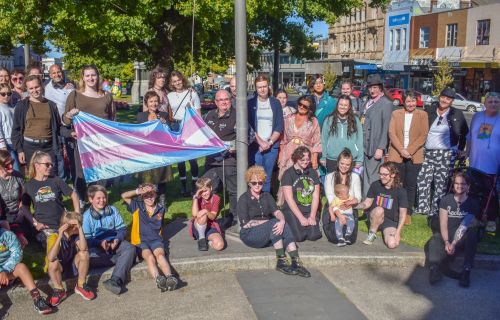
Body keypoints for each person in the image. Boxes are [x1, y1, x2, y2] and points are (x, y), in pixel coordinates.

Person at [237, 165, 311, 277]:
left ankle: (296, 261)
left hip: (267, 230)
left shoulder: (267, 196)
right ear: (249, 183)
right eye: (254, 183)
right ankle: (281, 260)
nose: (257, 185)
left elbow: (277, 212)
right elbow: (245, 224)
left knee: (281, 221)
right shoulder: (243, 199)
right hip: (249, 234)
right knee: (274, 222)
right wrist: (271, 222)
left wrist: (281, 220)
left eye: (260, 183)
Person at [63, 65, 114, 202]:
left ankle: (99, 201)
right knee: (81, 174)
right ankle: (82, 200)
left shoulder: (107, 96)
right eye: (88, 75)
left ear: (98, 77)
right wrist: (70, 114)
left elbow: (112, 119)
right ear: (83, 78)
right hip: (82, 142)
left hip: (102, 142)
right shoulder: (75, 95)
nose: (91, 78)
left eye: (93, 75)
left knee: (101, 173)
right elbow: (65, 120)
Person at [416, 87, 468, 216]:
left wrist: (460, 150)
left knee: (441, 183)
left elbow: (464, 133)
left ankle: (436, 209)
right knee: (423, 180)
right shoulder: (429, 110)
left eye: (448, 98)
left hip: (446, 154)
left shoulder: (457, 114)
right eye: (443, 97)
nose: (445, 100)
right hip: (427, 152)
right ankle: (422, 208)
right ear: (439, 97)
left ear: (452, 101)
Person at [121, 183, 178, 292]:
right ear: (142, 197)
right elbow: (124, 196)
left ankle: (170, 277)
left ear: (156, 195)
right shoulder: (137, 206)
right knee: (149, 257)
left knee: (160, 256)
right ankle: (159, 279)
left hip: (156, 240)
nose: (149, 198)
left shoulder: (161, 209)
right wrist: (138, 191)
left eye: (151, 194)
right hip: (140, 241)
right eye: (146, 195)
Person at [427, 172, 480, 288]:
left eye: (462, 184)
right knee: (434, 238)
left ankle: (466, 271)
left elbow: (464, 225)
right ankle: (434, 269)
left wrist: (454, 244)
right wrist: (446, 242)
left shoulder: (473, 203)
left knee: (472, 235)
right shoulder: (446, 200)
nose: (459, 186)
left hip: (462, 236)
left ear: (468, 186)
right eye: (456, 183)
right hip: (447, 234)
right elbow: (443, 223)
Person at [83, 185, 136, 295]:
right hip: (97, 248)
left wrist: (117, 239)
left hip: (114, 244)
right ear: (90, 199)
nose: (102, 201)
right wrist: (100, 243)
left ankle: (115, 280)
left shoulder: (113, 210)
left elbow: (122, 229)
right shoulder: (86, 217)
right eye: (98, 198)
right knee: (89, 257)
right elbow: (87, 240)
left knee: (130, 248)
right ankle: (123, 260)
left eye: (104, 197)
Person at [388, 90, 429, 224]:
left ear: (416, 102)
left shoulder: (422, 114)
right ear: (403, 102)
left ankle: (407, 212)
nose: (411, 104)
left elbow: (423, 135)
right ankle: (395, 209)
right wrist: (401, 150)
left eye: (413, 101)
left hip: (414, 156)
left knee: (410, 185)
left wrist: (409, 151)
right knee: (397, 184)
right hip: (397, 154)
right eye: (408, 101)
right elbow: (391, 133)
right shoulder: (396, 114)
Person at [23, 151, 80, 247]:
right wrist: (36, 223)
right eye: (47, 164)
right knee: (57, 245)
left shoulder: (56, 180)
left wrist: (77, 215)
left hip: (62, 222)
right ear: (37, 166)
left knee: (80, 242)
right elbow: (24, 207)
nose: (50, 167)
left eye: (51, 164)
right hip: (45, 227)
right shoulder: (29, 185)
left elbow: (73, 195)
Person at [202, 89, 238, 229]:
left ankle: (235, 217)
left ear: (231, 100)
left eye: (226, 99)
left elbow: (249, 136)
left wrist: (234, 148)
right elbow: (200, 131)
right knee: (207, 188)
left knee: (233, 190)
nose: (224, 102)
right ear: (216, 102)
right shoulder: (208, 115)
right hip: (211, 160)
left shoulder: (238, 115)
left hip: (228, 160)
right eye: (220, 100)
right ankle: (209, 215)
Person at [11, 75, 61, 170]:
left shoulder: (51, 105)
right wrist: (20, 150)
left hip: (48, 147)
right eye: (31, 88)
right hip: (29, 147)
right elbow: (16, 130)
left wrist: (70, 130)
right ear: (27, 89)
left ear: (41, 86)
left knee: (51, 175)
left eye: (37, 87)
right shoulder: (22, 106)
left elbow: (58, 127)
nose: (35, 90)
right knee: (34, 177)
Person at [466, 92, 499, 233]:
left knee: (491, 193)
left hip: (493, 164)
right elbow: (469, 137)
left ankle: (491, 220)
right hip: (475, 163)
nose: (493, 104)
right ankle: (475, 217)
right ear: (484, 103)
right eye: (490, 101)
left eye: (496, 102)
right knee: (473, 192)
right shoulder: (477, 117)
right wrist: (466, 153)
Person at [277, 97, 321, 204]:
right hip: (289, 153)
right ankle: (285, 205)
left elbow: (317, 141)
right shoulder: (289, 118)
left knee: (303, 179)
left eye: (305, 106)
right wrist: (280, 154)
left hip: (305, 154)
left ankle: (303, 204)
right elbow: (283, 139)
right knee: (286, 177)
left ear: (310, 109)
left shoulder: (313, 121)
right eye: (300, 104)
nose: (301, 107)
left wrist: (314, 159)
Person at [0, 227, 53, 314]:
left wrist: (5, 270)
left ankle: (37, 299)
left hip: (8, 270)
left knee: (22, 267)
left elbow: (17, 253)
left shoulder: (8, 235)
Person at [46, 211, 95, 306]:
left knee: (84, 254)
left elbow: (84, 248)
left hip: (72, 268)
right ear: (70, 226)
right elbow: (50, 257)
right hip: (59, 271)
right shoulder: (54, 236)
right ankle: (59, 289)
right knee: (52, 262)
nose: (80, 225)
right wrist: (60, 236)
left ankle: (81, 285)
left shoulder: (75, 236)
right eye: (78, 224)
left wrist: (80, 229)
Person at [167, 70, 201, 196]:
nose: (177, 83)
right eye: (174, 81)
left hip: (189, 125)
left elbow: (198, 113)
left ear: (182, 79)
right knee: (180, 159)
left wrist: (199, 129)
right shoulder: (169, 95)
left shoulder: (192, 93)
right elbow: (169, 112)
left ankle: (194, 184)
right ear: (172, 83)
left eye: (179, 80)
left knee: (192, 158)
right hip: (176, 125)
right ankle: (183, 185)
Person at [248, 75, 284, 193]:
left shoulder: (275, 103)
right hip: (255, 146)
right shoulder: (250, 103)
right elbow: (249, 126)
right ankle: (255, 201)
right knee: (255, 177)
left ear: (268, 87)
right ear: (256, 88)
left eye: (264, 86)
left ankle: (266, 202)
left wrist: (269, 142)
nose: (262, 89)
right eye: (259, 87)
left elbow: (279, 125)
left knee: (267, 177)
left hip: (271, 146)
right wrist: (260, 142)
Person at [359, 162, 408, 248]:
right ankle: (372, 233)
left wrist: (398, 232)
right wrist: (354, 206)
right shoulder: (375, 185)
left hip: (390, 222)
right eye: (380, 174)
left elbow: (403, 214)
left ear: (393, 174)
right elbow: (367, 203)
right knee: (379, 210)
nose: (381, 177)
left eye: (385, 174)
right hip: (375, 217)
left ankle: (386, 232)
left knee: (392, 244)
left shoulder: (401, 191)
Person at [136, 91, 173, 207]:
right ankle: (144, 199)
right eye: (151, 101)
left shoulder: (164, 115)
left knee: (161, 176)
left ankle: (162, 200)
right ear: (146, 103)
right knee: (145, 176)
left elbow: (169, 134)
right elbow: (138, 133)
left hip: (160, 150)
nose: (154, 103)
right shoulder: (141, 116)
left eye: (156, 101)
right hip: (146, 150)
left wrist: (164, 124)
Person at [360, 74, 394, 196]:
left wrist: (381, 147)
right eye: (370, 87)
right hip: (364, 146)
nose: (372, 90)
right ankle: (366, 203)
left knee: (373, 178)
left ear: (380, 88)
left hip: (375, 147)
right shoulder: (367, 102)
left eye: (375, 87)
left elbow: (386, 127)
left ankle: (372, 204)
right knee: (365, 176)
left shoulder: (386, 103)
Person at [281, 146, 322, 242]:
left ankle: (311, 224)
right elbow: (289, 199)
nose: (305, 162)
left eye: (307, 159)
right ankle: (289, 226)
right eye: (302, 159)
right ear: (296, 159)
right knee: (299, 237)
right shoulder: (288, 174)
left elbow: (315, 196)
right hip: (293, 210)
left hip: (308, 209)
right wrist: (301, 218)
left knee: (313, 236)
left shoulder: (312, 172)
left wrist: (312, 216)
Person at [323, 149, 362, 244]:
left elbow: (358, 197)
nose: (344, 166)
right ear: (338, 162)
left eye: (347, 164)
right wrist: (339, 215)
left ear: (351, 165)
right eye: (342, 163)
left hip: (349, 208)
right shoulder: (329, 177)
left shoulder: (355, 177)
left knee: (350, 239)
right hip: (334, 208)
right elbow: (330, 198)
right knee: (335, 238)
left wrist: (351, 202)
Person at [44, 64, 75, 179]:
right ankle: (62, 180)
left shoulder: (70, 86)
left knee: (72, 152)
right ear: (50, 75)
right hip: (56, 126)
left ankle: (74, 176)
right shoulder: (46, 88)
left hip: (70, 125)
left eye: (59, 72)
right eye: (54, 73)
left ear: (62, 72)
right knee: (59, 155)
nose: (57, 74)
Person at [321, 94, 363, 174]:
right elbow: (324, 139)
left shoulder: (355, 120)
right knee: (333, 185)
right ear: (337, 105)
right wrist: (323, 157)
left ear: (349, 106)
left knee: (348, 185)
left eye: (345, 105)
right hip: (332, 158)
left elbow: (359, 140)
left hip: (350, 159)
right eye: (341, 104)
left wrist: (360, 160)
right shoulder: (329, 120)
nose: (343, 107)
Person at [0, 150, 32, 245]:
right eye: (7, 165)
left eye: (12, 162)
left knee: (28, 236)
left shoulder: (18, 176)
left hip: (18, 214)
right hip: (3, 217)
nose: (11, 166)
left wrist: (22, 212)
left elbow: (25, 197)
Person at [190, 178, 224, 251]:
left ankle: (207, 240)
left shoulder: (216, 198)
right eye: (201, 192)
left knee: (220, 245)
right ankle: (201, 238)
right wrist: (195, 197)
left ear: (211, 188)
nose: (204, 194)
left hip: (210, 226)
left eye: (206, 191)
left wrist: (206, 211)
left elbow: (213, 217)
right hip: (198, 225)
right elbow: (194, 214)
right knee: (203, 215)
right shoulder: (197, 198)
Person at [0, 83, 20, 171]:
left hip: (15, 141)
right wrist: (2, 146)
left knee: (20, 168)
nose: (6, 96)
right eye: (3, 94)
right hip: (7, 144)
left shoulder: (11, 107)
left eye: (8, 93)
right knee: (14, 169)